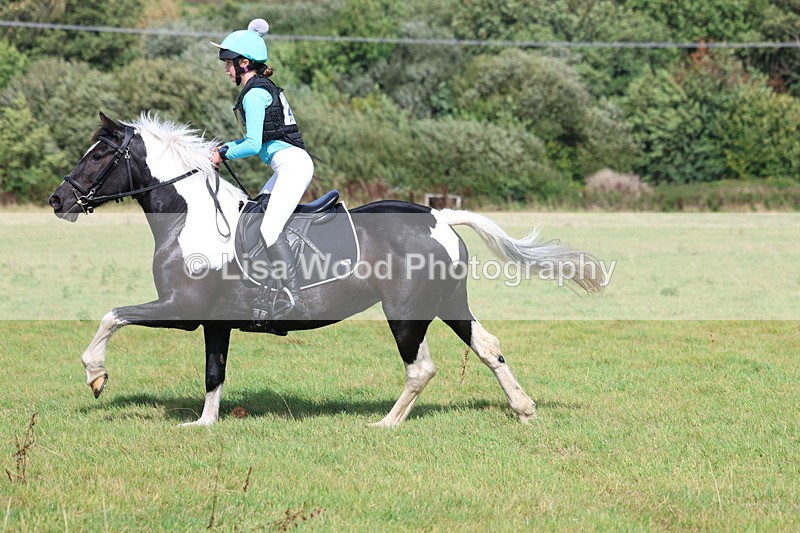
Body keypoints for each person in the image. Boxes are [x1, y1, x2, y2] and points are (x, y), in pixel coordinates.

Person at [210, 19, 313, 320]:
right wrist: (224, 148)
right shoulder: (257, 89)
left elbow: (253, 144)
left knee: (269, 228)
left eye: (228, 63)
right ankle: (266, 287)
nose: (225, 68)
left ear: (243, 64)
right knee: (253, 215)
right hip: (286, 167)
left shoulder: (255, 93)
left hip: (292, 167)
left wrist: (222, 151)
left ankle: (295, 300)